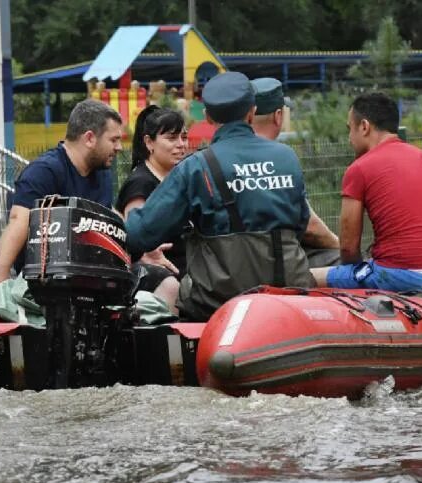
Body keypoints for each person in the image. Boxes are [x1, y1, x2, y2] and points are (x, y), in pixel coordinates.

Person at [125, 71, 337, 321]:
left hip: (219, 302)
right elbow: (300, 224)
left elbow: (139, 233)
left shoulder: (195, 167)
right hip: (287, 291)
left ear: (207, 116)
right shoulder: (286, 157)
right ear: (252, 111)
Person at [311, 93, 422, 295]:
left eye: (350, 129)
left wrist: (354, 272)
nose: (349, 139)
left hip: (396, 278)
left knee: (309, 276)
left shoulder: (359, 169)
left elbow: (348, 248)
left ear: (364, 126)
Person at [0, 99, 123, 287]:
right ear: (89, 138)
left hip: (94, 277)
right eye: (114, 140)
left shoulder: (102, 174)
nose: (119, 147)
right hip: (47, 283)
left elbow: (110, 218)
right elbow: (19, 219)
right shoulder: (44, 171)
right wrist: (0, 269)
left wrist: (141, 250)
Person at [252, 77, 341, 265]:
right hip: (280, 262)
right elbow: (311, 228)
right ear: (278, 116)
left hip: (234, 265)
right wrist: (340, 247)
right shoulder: (282, 158)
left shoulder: (220, 157)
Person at [115, 105, 189, 311]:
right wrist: (146, 253)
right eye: (172, 138)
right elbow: (134, 238)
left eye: (184, 137)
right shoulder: (141, 183)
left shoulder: (179, 177)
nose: (181, 145)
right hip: (161, 274)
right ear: (149, 142)